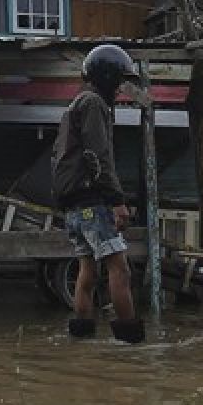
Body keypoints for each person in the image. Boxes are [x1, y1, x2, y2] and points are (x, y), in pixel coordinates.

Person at [52, 44, 144, 344]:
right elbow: (97, 155)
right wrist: (117, 200)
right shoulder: (92, 103)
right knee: (120, 268)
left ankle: (81, 337)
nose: (120, 88)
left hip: (74, 207)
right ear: (107, 76)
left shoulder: (75, 104)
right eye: (119, 80)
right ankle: (132, 342)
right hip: (93, 201)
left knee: (87, 271)